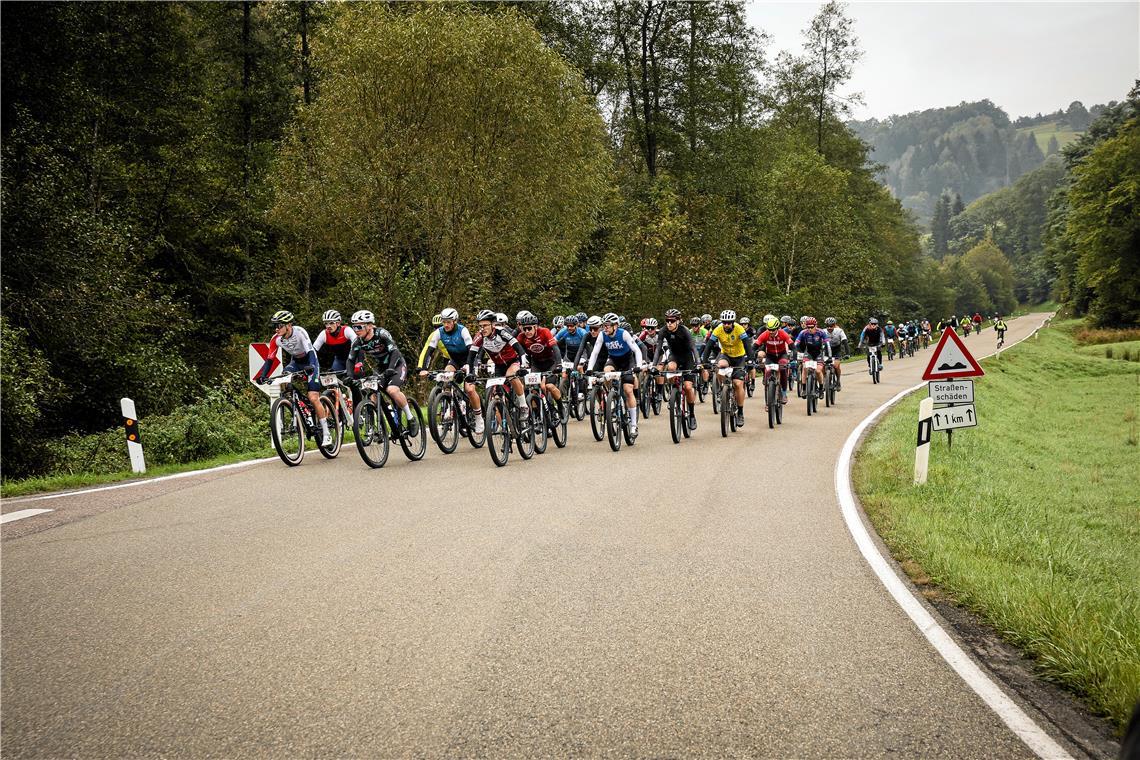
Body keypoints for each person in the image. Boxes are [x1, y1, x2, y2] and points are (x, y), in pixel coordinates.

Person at [254, 310, 332, 446]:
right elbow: (270, 359)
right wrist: (263, 376)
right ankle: (296, 406)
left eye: (279, 325)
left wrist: (312, 367)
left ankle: (326, 433)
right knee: (284, 379)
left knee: (313, 397)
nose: (276, 329)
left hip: (310, 361)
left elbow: (311, 352)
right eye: (275, 326)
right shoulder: (276, 339)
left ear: (288, 325)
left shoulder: (300, 332)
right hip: (295, 362)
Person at [345, 310, 417, 432]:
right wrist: (350, 376)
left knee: (392, 390)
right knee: (372, 391)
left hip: (397, 364)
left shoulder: (381, 334)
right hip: (381, 366)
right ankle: (380, 426)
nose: (356, 330)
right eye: (354, 327)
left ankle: (410, 417)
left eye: (359, 326)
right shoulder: (358, 341)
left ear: (369, 325)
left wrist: (390, 369)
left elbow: (395, 352)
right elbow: (350, 360)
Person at [418, 307, 482, 434]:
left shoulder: (462, 330)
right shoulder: (439, 332)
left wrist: (468, 365)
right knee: (446, 378)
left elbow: (472, 348)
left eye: (448, 322)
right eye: (444, 322)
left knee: (469, 389)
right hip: (454, 361)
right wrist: (424, 369)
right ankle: (449, 405)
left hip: (469, 359)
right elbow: (429, 351)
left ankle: (479, 418)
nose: (446, 324)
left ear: (455, 321)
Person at [586, 312, 646, 435]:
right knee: (606, 372)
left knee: (628, 390)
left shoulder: (623, 334)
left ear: (615, 326)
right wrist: (589, 368)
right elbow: (595, 353)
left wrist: (638, 366)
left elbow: (637, 350)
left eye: (608, 325)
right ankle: (611, 397)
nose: (605, 328)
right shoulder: (602, 335)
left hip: (627, 361)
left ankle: (634, 425)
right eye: (604, 325)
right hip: (613, 360)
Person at [466, 309, 530, 418]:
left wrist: (523, 365)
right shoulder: (479, 337)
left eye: (485, 325)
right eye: (480, 326)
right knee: (496, 396)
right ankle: (506, 426)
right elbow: (471, 357)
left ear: (493, 325)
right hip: (498, 366)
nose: (482, 329)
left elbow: (519, 349)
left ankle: (524, 406)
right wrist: (471, 373)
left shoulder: (502, 332)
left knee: (511, 376)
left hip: (512, 362)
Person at [701, 309, 755, 427]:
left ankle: (740, 412)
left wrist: (750, 359)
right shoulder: (718, 329)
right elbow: (709, 346)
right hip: (725, 355)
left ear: (733, 322)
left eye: (728, 322)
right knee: (720, 367)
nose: (726, 325)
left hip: (739, 357)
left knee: (738, 384)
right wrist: (704, 361)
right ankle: (722, 390)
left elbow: (747, 345)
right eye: (724, 322)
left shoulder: (739, 329)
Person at [653, 308, 700, 429]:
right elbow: (658, 348)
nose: (669, 323)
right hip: (674, 355)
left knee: (688, 387)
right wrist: (654, 365)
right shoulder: (663, 330)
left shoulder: (684, 331)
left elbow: (693, 348)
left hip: (687, 357)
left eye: (672, 321)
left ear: (678, 321)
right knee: (671, 367)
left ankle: (692, 414)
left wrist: (698, 363)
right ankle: (673, 393)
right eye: (667, 320)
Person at [516, 311, 565, 422]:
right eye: (524, 329)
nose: (527, 331)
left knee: (548, 386)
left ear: (535, 327)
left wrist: (559, 364)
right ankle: (538, 415)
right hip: (536, 363)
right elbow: (517, 352)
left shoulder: (545, 332)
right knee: (533, 390)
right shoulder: (521, 337)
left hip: (550, 362)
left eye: (529, 328)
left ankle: (560, 407)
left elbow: (555, 348)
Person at [754, 315, 793, 405]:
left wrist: (793, 358)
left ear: (777, 328)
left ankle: (783, 393)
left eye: (773, 330)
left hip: (781, 355)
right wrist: (752, 356)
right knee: (767, 375)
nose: (771, 332)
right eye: (769, 329)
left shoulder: (783, 333)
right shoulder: (765, 333)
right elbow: (755, 346)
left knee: (783, 369)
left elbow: (792, 346)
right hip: (770, 356)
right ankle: (768, 402)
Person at [794, 317, 831, 397]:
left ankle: (821, 389)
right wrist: (794, 351)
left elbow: (827, 344)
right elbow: (796, 342)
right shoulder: (803, 332)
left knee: (818, 371)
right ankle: (804, 389)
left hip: (819, 353)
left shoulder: (821, 332)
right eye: (808, 327)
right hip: (809, 353)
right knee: (804, 368)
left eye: (812, 327)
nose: (810, 329)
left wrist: (830, 356)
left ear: (816, 325)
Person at [823, 317, 848, 390]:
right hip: (826, 350)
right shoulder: (823, 331)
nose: (829, 328)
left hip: (836, 350)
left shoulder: (839, 331)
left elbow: (845, 342)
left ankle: (838, 380)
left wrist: (847, 353)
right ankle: (825, 379)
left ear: (834, 325)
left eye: (831, 326)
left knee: (836, 366)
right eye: (828, 326)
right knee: (822, 365)